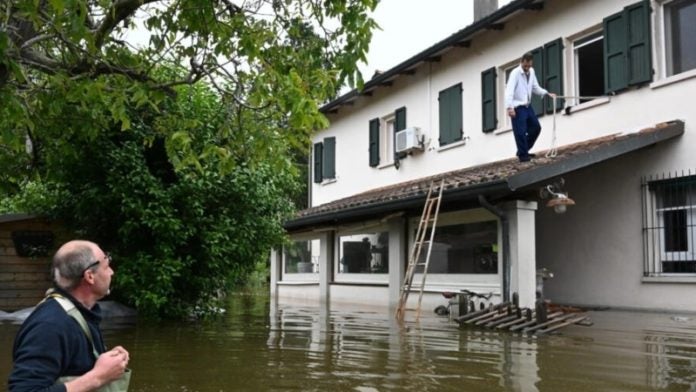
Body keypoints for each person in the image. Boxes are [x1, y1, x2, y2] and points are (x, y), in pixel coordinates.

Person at [8, 240, 131, 392]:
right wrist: (98, 376)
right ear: (90, 276)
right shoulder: (50, 326)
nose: (111, 272)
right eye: (106, 266)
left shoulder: (80, 312)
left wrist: (106, 362)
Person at [504, 52, 556, 162]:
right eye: (525, 66)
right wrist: (509, 107)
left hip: (527, 106)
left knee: (536, 127)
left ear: (531, 63)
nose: (527, 68)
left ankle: (523, 150)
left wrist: (547, 93)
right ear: (521, 62)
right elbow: (509, 91)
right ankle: (523, 156)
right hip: (517, 107)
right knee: (520, 131)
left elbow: (535, 87)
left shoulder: (532, 72)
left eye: (529, 65)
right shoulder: (515, 73)